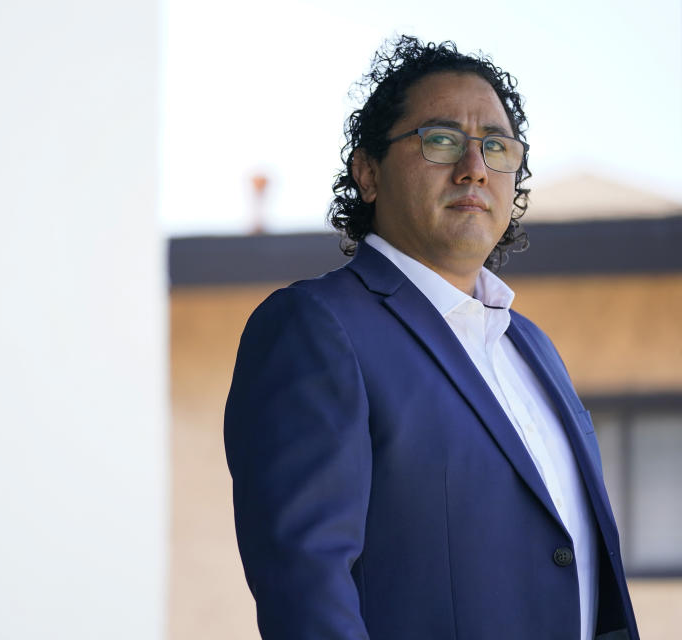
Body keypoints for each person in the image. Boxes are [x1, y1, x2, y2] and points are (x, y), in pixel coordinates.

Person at [224, 36, 638, 640]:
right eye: (441, 139)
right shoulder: (316, 326)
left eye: (496, 147)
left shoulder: (532, 346)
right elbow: (305, 594)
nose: (475, 167)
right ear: (368, 172)